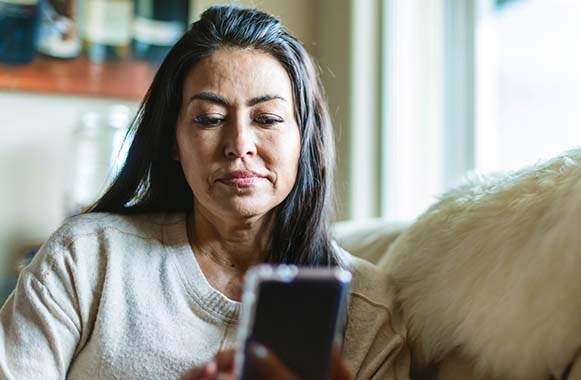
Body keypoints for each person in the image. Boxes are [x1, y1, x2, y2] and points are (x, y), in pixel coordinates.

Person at [0, 6, 410, 380]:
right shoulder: (87, 258)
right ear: (174, 142)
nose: (240, 144)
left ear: (305, 141)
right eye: (210, 119)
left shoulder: (366, 308)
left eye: (267, 118)